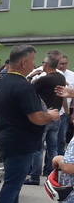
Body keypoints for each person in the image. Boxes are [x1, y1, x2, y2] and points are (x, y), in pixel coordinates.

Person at [0, 45, 61, 203]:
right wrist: (52, 115)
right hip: (20, 141)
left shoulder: (3, 82)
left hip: (9, 139)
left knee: (15, 182)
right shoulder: (23, 86)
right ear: (23, 62)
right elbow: (37, 117)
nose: (34, 64)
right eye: (32, 60)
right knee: (12, 184)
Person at [30, 51, 68, 182]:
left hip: (44, 116)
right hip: (56, 115)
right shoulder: (61, 77)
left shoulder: (44, 79)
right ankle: (51, 173)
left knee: (38, 147)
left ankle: (35, 176)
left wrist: (32, 76)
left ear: (46, 64)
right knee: (53, 147)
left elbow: (28, 90)